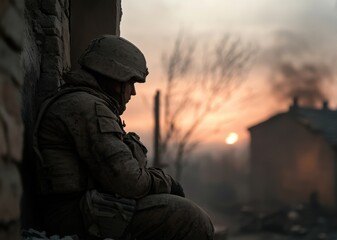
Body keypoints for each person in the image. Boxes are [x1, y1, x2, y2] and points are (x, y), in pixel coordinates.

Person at [33, 35, 214, 239]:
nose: (133, 92)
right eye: (131, 82)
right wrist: (167, 182)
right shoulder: (88, 107)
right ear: (115, 76)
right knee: (190, 218)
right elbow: (129, 181)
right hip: (74, 217)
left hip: (84, 210)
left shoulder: (84, 103)